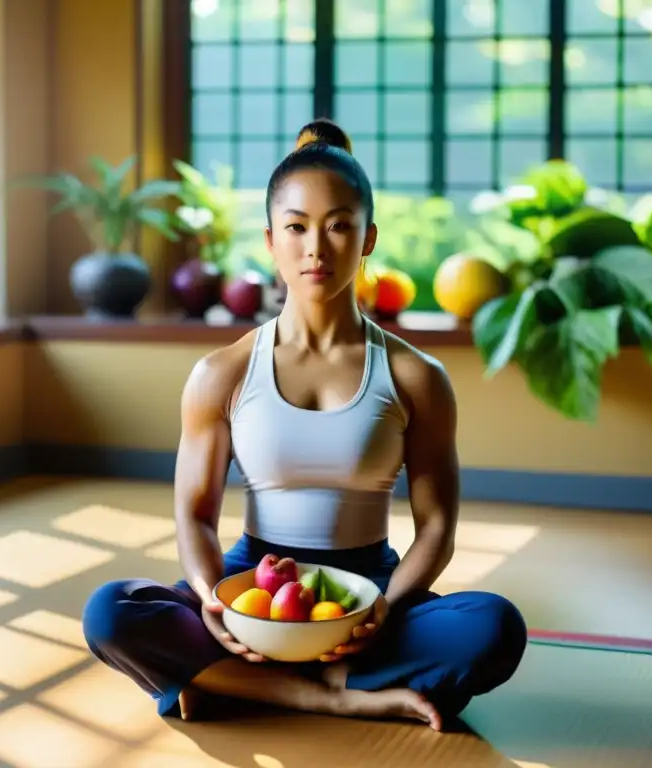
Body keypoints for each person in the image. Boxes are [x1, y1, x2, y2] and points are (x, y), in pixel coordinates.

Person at [82, 118, 527, 731]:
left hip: (367, 590)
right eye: (296, 227)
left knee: (493, 627)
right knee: (112, 613)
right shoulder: (223, 372)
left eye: (339, 226)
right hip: (254, 586)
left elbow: (438, 528)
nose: (315, 247)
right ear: (270, 239)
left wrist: (384, 609)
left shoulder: (415, 376)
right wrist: (216, 602)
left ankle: (245, 684)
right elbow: (194, 515)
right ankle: (330, 694)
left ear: (368, 238)